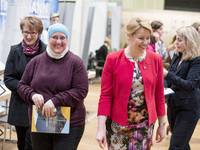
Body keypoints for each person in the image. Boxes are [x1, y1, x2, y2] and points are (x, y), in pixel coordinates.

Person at [96, 17, 166, 150]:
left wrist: (162, 125)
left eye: (148, 38)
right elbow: (105, 96)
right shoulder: (113, 59)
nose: (145, 42)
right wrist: (100, 129)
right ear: (129, 36)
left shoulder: (156, 60)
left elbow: (159, 95)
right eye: (141, 38)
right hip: (118, 125)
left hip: (145, 126)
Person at [17, 23, 88, 150]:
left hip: (70, 124)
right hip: (41, 121)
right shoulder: (36, 62)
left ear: (67, 40)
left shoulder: (76, 63)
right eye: (54, 37)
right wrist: (32, 95)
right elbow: (22, 85)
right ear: (48, 39)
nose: (58, 42)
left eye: (63, 38)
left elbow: (81, 90)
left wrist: (55, 101)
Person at [4, 16, 46, 150]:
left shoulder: (47, 52)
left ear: (39, 33)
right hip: (21, 105)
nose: (29, 36)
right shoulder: (14, 51)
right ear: (22, 31)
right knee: (22, 143)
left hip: (41, 106)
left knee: (35, 144)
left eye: (33, 33)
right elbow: (9, 78)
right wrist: (28, 91)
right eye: (26, 32)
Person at [163, 26, 200, 150]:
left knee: (176, 145)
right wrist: (164, 88)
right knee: (181, 144)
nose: (176, 43)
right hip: (173, 104)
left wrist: (166, 75)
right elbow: (170, 77)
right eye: (176, 40)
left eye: (179, 40)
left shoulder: (197, 59)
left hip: (189, 108)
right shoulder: (177, 55)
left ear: (189, 41)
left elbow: (190, 85)